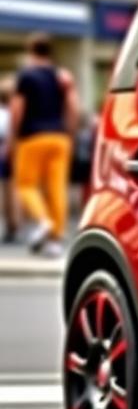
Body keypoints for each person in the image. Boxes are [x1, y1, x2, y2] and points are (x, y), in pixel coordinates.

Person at [9, 34, 80, 257]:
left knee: (26, 185)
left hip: (32, 137)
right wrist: (69, 132)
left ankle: (43, 220)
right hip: (59, 138)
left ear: (30, 51)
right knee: (57, 188)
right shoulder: (62, 77)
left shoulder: (26, 76)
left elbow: (17, 110)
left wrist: (13, 137)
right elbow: (73, 106)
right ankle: (55, 241)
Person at [0, 81, 16, 243]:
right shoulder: (13, 112)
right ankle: (14, 224)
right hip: (13, 154)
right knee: (12, 191)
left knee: (6, 192)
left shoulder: (4, 114)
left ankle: (11, 225)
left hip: (5, 155)